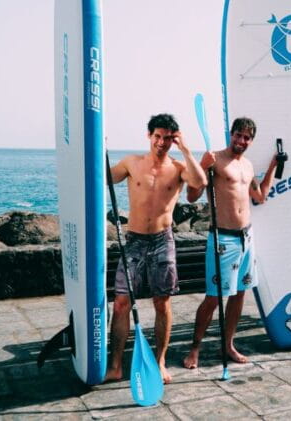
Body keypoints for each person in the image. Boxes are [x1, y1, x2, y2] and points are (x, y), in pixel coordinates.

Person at [105, 113, 207, 384]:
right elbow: (105, 177)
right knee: (121, 304)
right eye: (157, 136)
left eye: (167, 138)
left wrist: (185, 149)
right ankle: (115, 365)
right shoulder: (132, 163)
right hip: (134, 241)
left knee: (162, 303)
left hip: (163, 240)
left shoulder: (177, 167)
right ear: (149, 136)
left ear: (173, 140)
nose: (161, 142)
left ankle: (160, 362)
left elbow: (200, 182)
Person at [182, 117, 279, 369]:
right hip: (222, 239)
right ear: (231, 134)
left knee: (239, 295)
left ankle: (228, 345)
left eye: (246, 137)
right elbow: (192, 197)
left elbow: (260, 197)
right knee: (214, 298)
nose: (241, 141)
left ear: (251, 140)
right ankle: (195, 348)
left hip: (246, 238)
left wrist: (271, 168)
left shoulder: (247, 166)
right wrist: (203, 167)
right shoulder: (215, 160)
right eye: (238, 135)